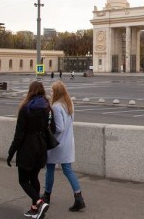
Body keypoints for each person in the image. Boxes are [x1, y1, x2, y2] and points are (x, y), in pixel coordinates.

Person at [7, 81, 52, 219]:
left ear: (30, 91)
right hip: (41, 146)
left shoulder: (25, 109)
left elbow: (19, 134)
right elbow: (49, 128)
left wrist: (11, 153)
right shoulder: (47, 107)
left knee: (23, 180)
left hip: (28, 148)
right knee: (34, 177)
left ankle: (39, 202)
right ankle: (35, 210)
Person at [42, 81, 86, 211]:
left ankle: (47, 196)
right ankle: (78, 196)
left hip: (57, 143)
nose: (50, 93)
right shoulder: (69, 103)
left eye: (51, 90)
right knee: (67, 169)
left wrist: (47, 129)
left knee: (50, 168)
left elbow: (59, 128)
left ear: (57, 92)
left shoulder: (56, 106)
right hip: (68, 141)